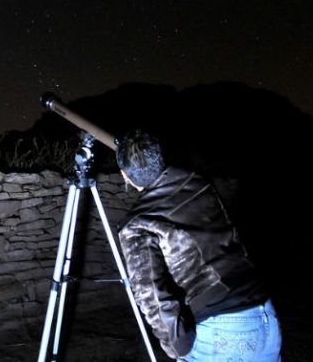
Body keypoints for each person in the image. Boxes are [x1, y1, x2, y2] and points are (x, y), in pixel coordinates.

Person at [115, 130, 282, 361]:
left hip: (222, 330)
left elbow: (150, 294)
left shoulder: (138, 224)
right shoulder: (199, 184)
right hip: (264, 315)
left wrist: (177, 347)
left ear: (125, 175)